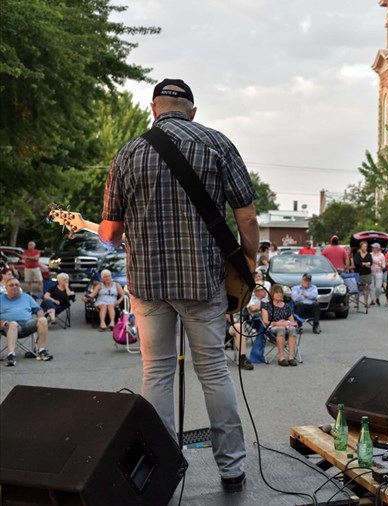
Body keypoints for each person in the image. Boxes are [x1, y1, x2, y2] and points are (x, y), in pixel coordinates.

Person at [98, 78, 258, 492]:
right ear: (192, 110)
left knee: (156, 373)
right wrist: (248, 265)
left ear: (153, 109)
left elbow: (110, 234)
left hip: (148, 284)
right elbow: (247, 219)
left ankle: (162, 472)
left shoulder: (128, 153)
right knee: (215, 372)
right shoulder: (217, 143)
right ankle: (232, 470)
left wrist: (113, 226)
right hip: (203, 282)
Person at [1, 277, 53, 366]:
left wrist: (41, 318)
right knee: (13, 324)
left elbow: (38, 309)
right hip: (8, 326)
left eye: (17, 285)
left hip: (27, 324)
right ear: (6, 288)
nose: (14, 287)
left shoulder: (26, 297)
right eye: (11, 285)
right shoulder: (0, 299)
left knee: (43, 320)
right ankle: (11, 355)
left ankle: (41, 351)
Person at [262, 285, 300, 366]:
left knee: (292, 329)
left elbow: (292, 320)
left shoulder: (286, 306)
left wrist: (289, 324)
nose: (279, 294)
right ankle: (281, 357)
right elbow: (265, 322)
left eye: (280, 293)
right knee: (281, 329)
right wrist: (279, 323)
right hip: (272, 328)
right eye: (277, 292)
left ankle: (291, 357)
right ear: (271, 294)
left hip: (286, 326)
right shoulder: (266, 306)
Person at [352, 241, 373, 307]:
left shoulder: (369, 255)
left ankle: (366, 303)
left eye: (366, 246)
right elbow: (356, 262)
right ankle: (357, 302)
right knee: (358, 288)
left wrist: (368, 265)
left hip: (367, 273)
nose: (365, 248)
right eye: (363, 246)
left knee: (366, 288)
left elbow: (371, 262)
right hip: (359, 273)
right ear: (360, 247)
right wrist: (363, 264)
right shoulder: (357, 254)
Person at [370, 242, 386, 306]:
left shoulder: (381, 255)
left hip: (379, 272)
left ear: (378, 248)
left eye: (374, 248)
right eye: (372, 247)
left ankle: (377, 298)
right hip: (371, 272)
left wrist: (380, 264)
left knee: (378, 287)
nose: (373, 249)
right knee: (371, 287)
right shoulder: (370, 254)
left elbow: (384, 266)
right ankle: (372, 300)